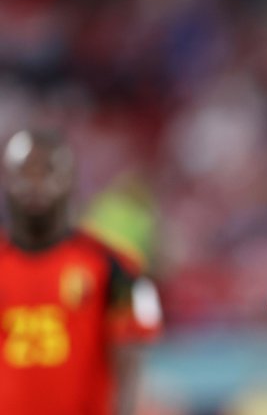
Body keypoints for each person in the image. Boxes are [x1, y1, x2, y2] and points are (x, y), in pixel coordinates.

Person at [0, 129, 162, 415]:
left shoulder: (118, 267)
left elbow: (131, 364)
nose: (34, 183)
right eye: (23, 172)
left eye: (47, 171)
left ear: (69, 179)